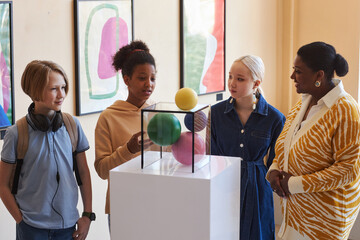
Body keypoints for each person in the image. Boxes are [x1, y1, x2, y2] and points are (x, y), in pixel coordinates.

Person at [267, 41, 360, 240]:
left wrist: (293, 184)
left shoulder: (345, 110)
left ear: (319, 75)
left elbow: (348, 170)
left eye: (298, 71)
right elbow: (285, 145)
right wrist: (274, 167)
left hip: (324, 222)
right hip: (294, 214)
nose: (292, 76)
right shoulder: (304, 102)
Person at [0, 60, 94, 240]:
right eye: (53, 89)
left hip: (68, 227)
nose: (61, 94)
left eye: (63, 87)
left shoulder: (72, 126)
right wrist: (21, 221)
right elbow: (2, 185)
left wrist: (87, 215)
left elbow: (83, 172)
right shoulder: (15, 134)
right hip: (31, 228)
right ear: (35, 90)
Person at [211, 55, 285, 240]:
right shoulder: (216, 113)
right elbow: (211, 154)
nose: (232, 83)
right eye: (230, 76)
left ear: (256, 83)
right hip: (222, 184)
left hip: (258, 187)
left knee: (256, 234)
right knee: (221, 232)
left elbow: (277, 160)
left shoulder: (274, 118)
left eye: (240, 78)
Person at [94, 40, 156, 227]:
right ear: (127, 80)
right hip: (123, 206)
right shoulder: (108, 117)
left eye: (153, 78)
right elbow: (102, 171)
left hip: (157, 202)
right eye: (142, 78)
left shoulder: (158, 115)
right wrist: (127, 149)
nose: (149, 84)